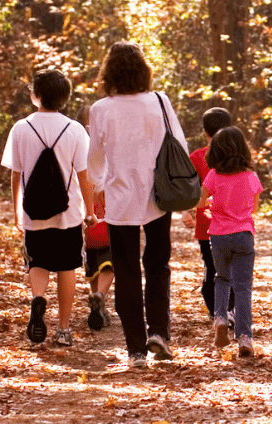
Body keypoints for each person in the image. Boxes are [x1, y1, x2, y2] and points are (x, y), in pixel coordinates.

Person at [87, 41, 189, 368]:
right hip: (158, 196)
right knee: (158, 264)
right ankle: (158, 332)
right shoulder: (159, 101)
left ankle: (135, 350)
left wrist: (101, 185)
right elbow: (180, 146)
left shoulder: (101, 109)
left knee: (127, 271)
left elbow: (94, 160)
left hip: (119, 199)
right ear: (143, 70)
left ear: (110, 72)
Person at [2, 69, 97, 348]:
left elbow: (15, 174)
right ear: (65, 98)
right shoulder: (76, 130)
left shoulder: (20, 128)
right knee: (67, 267)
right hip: (68, 214)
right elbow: (84, 175)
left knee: (38, 261)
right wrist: (89, 211)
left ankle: (38, 300)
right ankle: (64, 328)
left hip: (33, 211)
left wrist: (16, 210)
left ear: (36, 95)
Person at [196, 126, 263, 358]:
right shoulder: (251, 176)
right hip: (244, 234)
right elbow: (254, 207)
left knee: (222, 279)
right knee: (243, 287)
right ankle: (244, 337)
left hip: (218, 235)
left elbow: (200, 202)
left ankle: (221, 318)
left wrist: (212, 210)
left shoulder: (213, 175)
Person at [180, 107, 235, 322]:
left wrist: (187, 211)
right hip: (233, 222)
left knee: (212, 267)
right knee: (228, 266)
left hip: (207, 226)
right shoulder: (238, 157)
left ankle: (218, 312)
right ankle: (227, 310)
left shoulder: (197, 156)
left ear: (205, 132)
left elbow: (190, 189)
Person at [76, 106, 114, 331]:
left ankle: (95, 299)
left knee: (92, 265)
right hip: (108, 220)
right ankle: (100, 296)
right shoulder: (107, 150)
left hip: (86, 221)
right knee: (109, 266)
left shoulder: (77, 151)